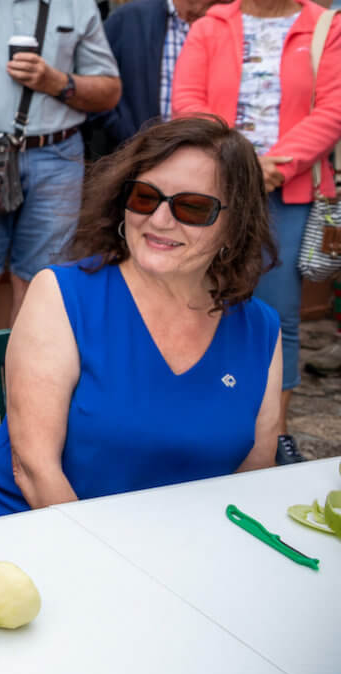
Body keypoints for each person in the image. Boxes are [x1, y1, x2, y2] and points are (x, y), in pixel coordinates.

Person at [0, 117, 281, 519]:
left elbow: (255, 469)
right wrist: (115, 570)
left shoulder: (261, 327)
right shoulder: (61, 294)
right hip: (36, 536)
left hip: (176, 549)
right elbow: (35, 471)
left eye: (192, 207)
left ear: (236, 226)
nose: (160, 220)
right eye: (145, 197)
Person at [0, 0, 120, 446]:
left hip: (58, 155)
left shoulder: (78, 7)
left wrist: (59, 82)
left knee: (38, 284)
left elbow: (110, 90)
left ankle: (21, 399)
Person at [172, 0, 341, 463]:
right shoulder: (213, 24)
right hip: (214, 185)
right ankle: (203, 414)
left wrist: (274, 169)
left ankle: (274, 432)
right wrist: (238, 164)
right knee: (202, 296)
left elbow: (332, 109)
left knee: (277, 312)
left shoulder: (326, 27)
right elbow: (187, 101)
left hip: (287, 190)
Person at [90, 0, 229, 154]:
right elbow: (94, 78)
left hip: (209, 153)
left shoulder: (229, 24)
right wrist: (124, 132)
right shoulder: (131, 17)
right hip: (133, 155)